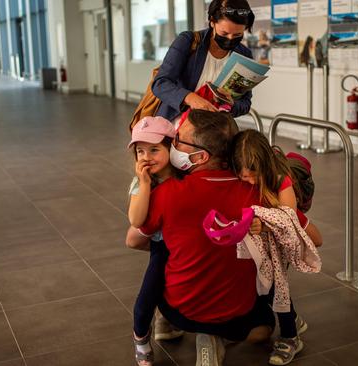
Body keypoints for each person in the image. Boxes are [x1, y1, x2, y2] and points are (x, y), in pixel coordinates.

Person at [126, 110, 275, 366]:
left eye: (179, 140)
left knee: (161, 257)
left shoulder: (169, 192)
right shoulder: (255, 190)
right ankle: (221, 336)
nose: (172, 144)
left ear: (200, 156)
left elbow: (133, 239)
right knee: (265, 328)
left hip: (183, 311)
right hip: (237, 314)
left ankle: (181, 328)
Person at [230, 129, 323, 365]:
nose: (250, 181)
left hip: (281, 243)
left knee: (276, 287)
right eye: (244, 178)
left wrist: (265, 224)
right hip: (258, 245)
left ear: (266, 165)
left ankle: (291, 337)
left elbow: (288, 216)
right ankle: (293, 320)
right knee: (265, 289)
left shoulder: (281, 178)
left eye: (254, 176)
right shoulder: (244, 175)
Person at [127, 116, 183, 366]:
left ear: (171, 147)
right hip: (162, 246)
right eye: (140, 151)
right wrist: (146, 183)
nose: (146, 156)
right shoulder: (142, 183)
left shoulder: (184, 176)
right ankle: (141, 338)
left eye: (154, 149)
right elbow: (137, 220)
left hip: (186, 242)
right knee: (147, 297)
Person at [152, 0, 255, 123]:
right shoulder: (188, 41)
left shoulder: (244, 55)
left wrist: (232, 104)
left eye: (237, 35)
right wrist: (190, 98)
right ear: (212, 22)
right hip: (176, 124)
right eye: (224, 33)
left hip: (213, 129)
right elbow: (160, 84)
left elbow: (245, 104)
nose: (230, 39)